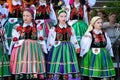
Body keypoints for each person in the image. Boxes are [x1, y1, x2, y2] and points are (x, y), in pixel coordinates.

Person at [10, 8, 47, 80]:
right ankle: (21, 73)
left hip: (34, 47)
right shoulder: (18, 26)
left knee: (33, 59)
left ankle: (34, 73)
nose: (25, 17)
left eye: (27, 16)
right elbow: (15, 37)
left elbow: (41, 38)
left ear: (32, 17)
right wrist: (14, 43)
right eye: (24, 15)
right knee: (22, 59)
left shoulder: (37, 26)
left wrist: (44, 49)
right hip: (21, 47)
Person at [47, 9, 80, 80]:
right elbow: (50, 39)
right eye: (61, 16)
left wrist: (76, 47)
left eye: (65, 16)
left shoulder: (70, 28)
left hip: (68, 47)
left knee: (67, 59)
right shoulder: (54, 28)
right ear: (58, 17)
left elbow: (73, 38)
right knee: (58, 60)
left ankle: (68, 74)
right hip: (57, 48)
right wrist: (49, 48)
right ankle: (57, 75)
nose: (63, 18)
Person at [0, 11, 11, 80]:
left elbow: (5, 37)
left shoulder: (2, 27)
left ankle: (4, 73)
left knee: (3, 58)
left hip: (1, 44)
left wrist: (7, 47)